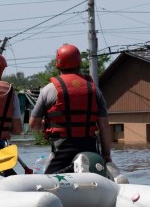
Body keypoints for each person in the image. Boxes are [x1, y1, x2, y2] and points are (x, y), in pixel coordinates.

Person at [29, 43, 113, 174]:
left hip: (62, 150)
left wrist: (47, 126)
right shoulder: (94, 90)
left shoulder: (48, 90)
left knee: (47, 182)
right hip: (90, 148)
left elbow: (34, 124)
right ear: (79, 64)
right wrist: (106, 155)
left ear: (58, 65)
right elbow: (104, 126)